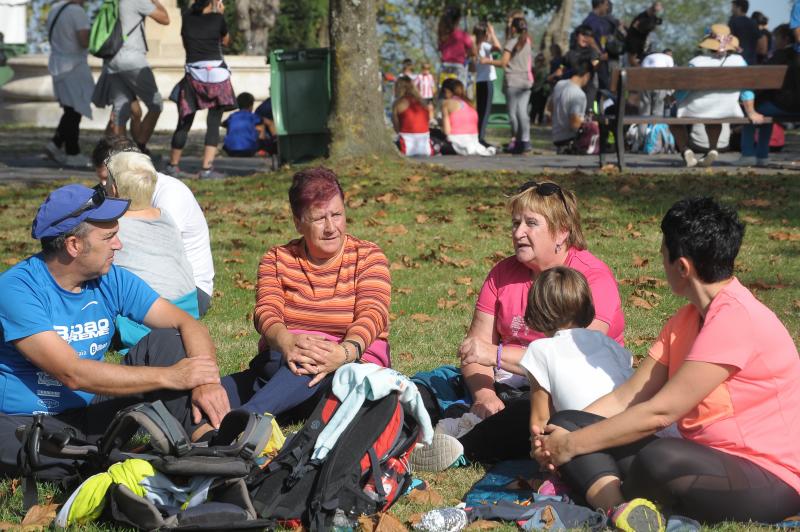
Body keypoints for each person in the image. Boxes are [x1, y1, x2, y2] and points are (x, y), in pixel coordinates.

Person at [533, 197, 800, 526]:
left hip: (770, 479)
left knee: (658, 459)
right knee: (568, 420)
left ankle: (599, 483)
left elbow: (660, 412)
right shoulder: (686, 319)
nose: (660, 260)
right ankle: (622, 510)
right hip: (702, 461)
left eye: (662, 253)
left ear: (683, 267)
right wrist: (557, 437)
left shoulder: (737, 319)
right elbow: (628, 396)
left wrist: (572, 446)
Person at [0, 183, 229, 479]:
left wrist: (205, 382)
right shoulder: (17, 289)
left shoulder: (111, 279)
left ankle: (209, 444)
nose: (119, 245)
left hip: (92, 410)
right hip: (27, 419)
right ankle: (105, 465)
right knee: (31, 450)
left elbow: (188, 324)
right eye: (109, 237)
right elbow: (71, 373)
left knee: (168, 340)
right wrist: (172, 376)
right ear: (73, 245)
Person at [410, 181, 624, 472]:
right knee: (418, 390)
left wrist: (496, 355)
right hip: (499, 385)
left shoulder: (591, 279)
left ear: (562, 231)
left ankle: (460, 448)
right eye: (515, 223)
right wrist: (484, 394)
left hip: (556, 392)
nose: (518, 232)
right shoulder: (502, 273)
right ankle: (396, 434)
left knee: (534, 414)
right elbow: (476, 350)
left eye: (531, 223)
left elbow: (574, 359)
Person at [220, 167, 392, 421]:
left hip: (349, 367)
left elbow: (372, 314)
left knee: (310, 359)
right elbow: (267, 311)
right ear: (298, 222)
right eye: (320, 218)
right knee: (209, 390)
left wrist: (344, 352)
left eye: (337, 214)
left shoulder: (368, 257)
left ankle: (248, 417)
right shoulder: (277, 259)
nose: (331, 227)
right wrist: (287, 342)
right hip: (282, 360)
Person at [92, 137, 215, 316]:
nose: (103, 187)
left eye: (107, 179)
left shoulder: (170, 196)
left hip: (192, 292)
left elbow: (155, 255)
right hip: (164, 297)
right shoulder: (136, 200)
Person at [105, 151, 199, 350]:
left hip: (143, 323)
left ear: (113, 188)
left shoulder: (112, 227)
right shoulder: (165, 217)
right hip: (188, 311)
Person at [165, 0, 236, 180]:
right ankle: (206, 169)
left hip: (193, 75)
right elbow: (226, 42)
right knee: (213, 123)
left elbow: (186, 45)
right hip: (217, 76)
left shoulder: (186, 18)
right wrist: (220, 14)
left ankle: (173, 166)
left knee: (185, 121)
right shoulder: (217, 18)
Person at [670, 24, 748, 168]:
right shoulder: (739, 62)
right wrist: (751, 109)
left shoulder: (696, 62)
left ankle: (685, 150)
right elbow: (746, 89)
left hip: (695, 110)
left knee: (672, 114)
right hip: (727, 109)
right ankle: (712, 148)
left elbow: (684, 89)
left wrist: (673, 98)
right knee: (714, 113)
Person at [105, 0, 170, 153]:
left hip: (112, 58)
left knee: (122, 108)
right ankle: (140, 148)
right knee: (156, 104)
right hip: (132, 60)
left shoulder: (113, 2)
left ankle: (118, 154)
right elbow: (165, 19)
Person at [739, 24, 800, 167]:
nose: (774, 42)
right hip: (797, 105)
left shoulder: (780, 55)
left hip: (784, 104)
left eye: (776, 38)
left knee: (754, 112)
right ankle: (762, 155)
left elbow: (762, 81)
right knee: (763, 111)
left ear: (785, 39)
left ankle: (749, 154)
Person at [43, 0, 95, 168]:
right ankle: (72, 152)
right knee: (75, 110)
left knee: (70, 109)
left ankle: (56, 143)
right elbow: (84, 40)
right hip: (74, 65)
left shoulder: (55, 9)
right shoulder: (76, 12)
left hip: (58, 62)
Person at [481, 17, 533, 154]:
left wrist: (487, 61)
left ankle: (517, 140)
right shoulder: (527, 41)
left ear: (514, 28)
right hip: (526, 81)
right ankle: (525, 141)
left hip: (513, 82)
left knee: (512, 114)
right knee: (523, 112)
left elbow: (503, 63)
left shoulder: (512, 43)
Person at [440, 78, 495, 156]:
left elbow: (447, 131)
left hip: (457, 144)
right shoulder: (470, 104)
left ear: (447, 91)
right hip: (474, 141)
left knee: (433, 134)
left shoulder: (447, 103)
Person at [549, 60, 593, 153]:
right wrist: (587, 123)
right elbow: (574, 123)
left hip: (556, 135)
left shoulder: (559, 84)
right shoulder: (579, 94)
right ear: (587, 75)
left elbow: (550, 107)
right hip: (569, 139)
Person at [473, 22, 501, 146]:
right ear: (485, 34)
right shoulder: (484, 45)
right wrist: (493, 33)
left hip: (479, 81)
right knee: (486, 111)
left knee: (480, 110)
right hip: (487, 81)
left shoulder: (474, 47)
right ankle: (481, 137)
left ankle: (478, 135)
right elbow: (498, 48)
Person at [392, 76, 432, 157]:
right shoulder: (423, 103)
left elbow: (397, 129)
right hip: (426, 147)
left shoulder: (398, 104)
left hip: (406, 147)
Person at [223, 92, 270, 157]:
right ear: (251, 106)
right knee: (262, 128)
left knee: (230, 127)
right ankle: (262, 150)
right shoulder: (253, 117)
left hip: (231, 150)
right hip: (249, 149)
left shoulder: (232, 116)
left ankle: (232, 143)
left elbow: (223, 124)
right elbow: (260, 128)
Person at [437, 6, 475, 87]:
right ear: (458, 19)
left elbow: (440, 48)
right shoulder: (462, 35)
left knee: (444, 93)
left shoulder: (443, 35)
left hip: (445, 67)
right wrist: (473, 41)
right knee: (459, 94)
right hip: (458, 68)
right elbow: (473, 52)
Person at [729, 0, 759, 65]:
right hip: (752, 62)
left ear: (739, 8)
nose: (731, 10)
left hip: (737, 62)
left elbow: (728, 42)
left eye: (733, 7)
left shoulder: (733, 22)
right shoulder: (753, 23)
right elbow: (760, 43)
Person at [530, 53, 550, 126]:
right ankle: (533, 121)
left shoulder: (545, 69)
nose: (540, 61)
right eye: (539, 60)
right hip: (536, 90)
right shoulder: (535, 69)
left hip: (542, 91)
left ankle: (538, 121)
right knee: (535, 107)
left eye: (541, 60)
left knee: (540, 107)